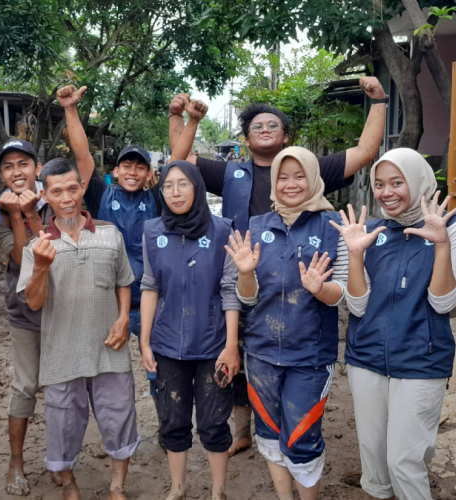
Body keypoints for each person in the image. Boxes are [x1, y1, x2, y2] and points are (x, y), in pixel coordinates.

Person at [168, 80, 386, 456]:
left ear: (286, 136)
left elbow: (366, 151)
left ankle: (291, 423)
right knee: (238, 348)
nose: (266, 130)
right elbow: (179, 157)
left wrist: (380, 100)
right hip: (247, 275)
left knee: (292, 355)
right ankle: (243, 430)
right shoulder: (231, 172)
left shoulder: (311, 169)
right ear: (247, 139)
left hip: (303, 283)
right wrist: (179, 117)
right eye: (257, 126)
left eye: (273, 125)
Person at [330, 148, 456, 500]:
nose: (386, 192)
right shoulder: (370, 231)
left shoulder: (454, 227)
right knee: (375, 460)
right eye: (379, 184)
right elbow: (358, 306)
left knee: (404, 460)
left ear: (418, 181)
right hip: (366, 359)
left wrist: (439, 244)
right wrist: (356, 253)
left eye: (397, 182)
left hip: (421, 360)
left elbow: (444, 302)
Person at [227, 147, 348, 500]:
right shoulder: (258, 225)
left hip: (310, 355)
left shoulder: (333, 226)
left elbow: (341, 294)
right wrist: (245, 274)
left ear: (314, 179)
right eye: (283, 176)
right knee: (269, 431)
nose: (290, 184)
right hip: (261, 352)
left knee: (302, 437)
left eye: (299, 176)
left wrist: (320, 288)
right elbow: (248, 297)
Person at [16, 158, 140, 500]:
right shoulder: (37, 247)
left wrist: (124, 316)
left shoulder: (110, 234)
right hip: (62, 352)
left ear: (82, 188)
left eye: (73, 188)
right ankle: (69, 483)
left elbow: (123, 280)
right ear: (45, 196)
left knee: (119, 415)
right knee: (63, 422)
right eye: (57, 191)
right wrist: (41, 266)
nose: (67, 197)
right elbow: (34, 303)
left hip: (109, 347)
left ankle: (117, 486)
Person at [139, 160, 242, 500]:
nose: (175, 192)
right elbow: (151, 286)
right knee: (172, 420)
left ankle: (218, 491)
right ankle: (178, 488)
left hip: (213, 345)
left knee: (213, 423)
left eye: (183, 184)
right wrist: (145, 340)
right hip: (168, 346)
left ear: (197, 187)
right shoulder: (153, 231)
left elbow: (230, 290)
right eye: (167, 186)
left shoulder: (223, 230)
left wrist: (231, 346)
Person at [56, 85, 161, 393]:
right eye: (127, 165)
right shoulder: (101, 193)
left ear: (148, 174)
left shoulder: (156, 198)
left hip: (146, 300)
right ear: (116, 170)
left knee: (157, 365)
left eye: (139, 167)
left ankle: (167, 428)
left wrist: (187, 120)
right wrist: (70, 109)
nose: (132, 171)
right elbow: (82, 154)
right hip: (103, 297)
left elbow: (179, 155)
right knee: (102, 368)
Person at [0, 138, 61, 495]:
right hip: (24, 312)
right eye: (8, 166)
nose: (17, 172)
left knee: (64, 383)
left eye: (23, 164)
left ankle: (61, 459)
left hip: (64, 307)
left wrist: (32, 212)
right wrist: (17, 215)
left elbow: (57, 248)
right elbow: (20, 260)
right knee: (25, 386)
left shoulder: (57, 196)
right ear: (0, 173)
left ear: (37, 168)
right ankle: (15, 460)